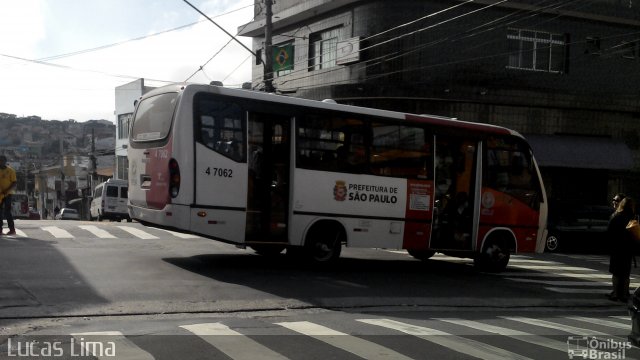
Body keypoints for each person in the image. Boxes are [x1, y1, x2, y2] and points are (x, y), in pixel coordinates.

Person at [607, 196, 636, 302]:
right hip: (627, 249)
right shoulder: (632, 218)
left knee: (616, 272)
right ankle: (624, 294)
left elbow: (609, 232)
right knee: (625, 273)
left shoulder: (615, 216)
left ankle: (615, 293)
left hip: (616, 248)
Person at [0, 155, 17, 235]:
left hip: (8, 194)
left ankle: (12, 229)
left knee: (7, 212)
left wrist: (6, 191)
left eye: (2, 160)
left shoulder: (10, 171)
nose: (1, 162)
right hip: (0, 195)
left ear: (5, 161)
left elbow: (14, 183)